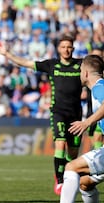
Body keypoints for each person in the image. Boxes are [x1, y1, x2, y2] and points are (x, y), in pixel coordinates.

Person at [0, 34, 83, 195]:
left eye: (69, 47)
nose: (66, 49)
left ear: (73, 48)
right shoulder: (51, 65)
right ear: (58, 49)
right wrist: (7, 54)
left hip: (76, 114)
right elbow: (26, 63)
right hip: (58, 112)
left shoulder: (80, 65)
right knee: (60, 144)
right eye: (63, 46)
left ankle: (69, 174)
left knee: (73, 153)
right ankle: (60, 179)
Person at [60, 54, 104, 203]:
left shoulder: (99, 87)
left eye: (80, 70)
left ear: (85, 73)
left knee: (71, 167)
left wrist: (86, 122)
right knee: (85, 183)